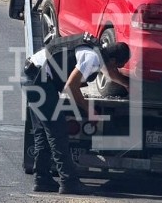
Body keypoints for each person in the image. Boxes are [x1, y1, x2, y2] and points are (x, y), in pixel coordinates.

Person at [24, 34, 131, 194]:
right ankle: (69, 182)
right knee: (57, 131)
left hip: (31, 76)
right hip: (40, 81)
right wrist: (88, 109)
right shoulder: (92, 58)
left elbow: (109, 72)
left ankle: (42, 179)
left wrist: (126, 84)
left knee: (43, 133)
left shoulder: (95, 51)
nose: (116, 69)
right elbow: (70, 87)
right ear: (114, 61)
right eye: (118, 66)